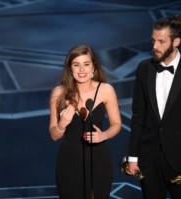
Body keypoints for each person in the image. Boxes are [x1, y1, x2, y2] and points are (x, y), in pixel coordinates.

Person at [127, 14, 181, 199]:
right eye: (153, 40)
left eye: (161, 41)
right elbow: (138, 115)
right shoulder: (144, 68)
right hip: (148, 160)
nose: (155, 46)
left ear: (176, 42)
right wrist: (133, 157)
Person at [49, 44, 121, 199]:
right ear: (70, 68)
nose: (82, 70)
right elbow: (54, 135)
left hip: (99, 160)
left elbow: (116, 124)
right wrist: (62, 124)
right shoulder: (59, 93)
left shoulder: (106, 90)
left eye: (86, 64)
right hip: (70, 162)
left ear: (93, 66)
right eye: (76, 65)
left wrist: (103, 135)